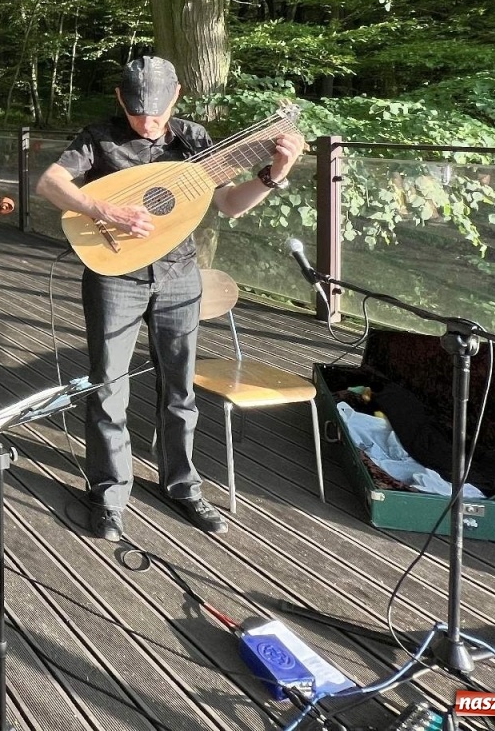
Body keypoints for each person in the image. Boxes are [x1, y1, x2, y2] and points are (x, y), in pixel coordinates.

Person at [34, 56, 305, 542]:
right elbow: (49, 182)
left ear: (176, 95)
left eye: (156, 111)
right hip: (114, 274)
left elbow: (228, 204)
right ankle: (110, 494)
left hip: (180, 274)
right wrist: (103, 208)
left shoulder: (194, 140)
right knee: (107, 386)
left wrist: (272, 174)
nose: (148, 120)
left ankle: (181, 485)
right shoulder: (99, 137)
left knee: (180, 388)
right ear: (121, 98)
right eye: (138, 112)